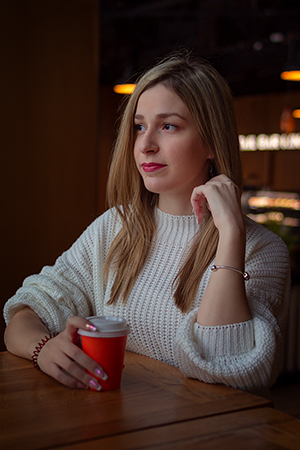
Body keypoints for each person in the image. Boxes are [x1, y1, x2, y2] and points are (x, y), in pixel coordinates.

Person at [3, 52, 290, 397]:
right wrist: (44, 349)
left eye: (168, 126)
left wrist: (230, 235)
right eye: (140, 126)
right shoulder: (116, 227)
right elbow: (25, 310)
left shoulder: (263, 250)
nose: (146, 145)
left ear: (212, 141)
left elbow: (228, 368)